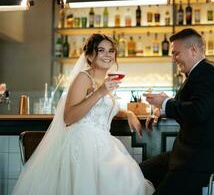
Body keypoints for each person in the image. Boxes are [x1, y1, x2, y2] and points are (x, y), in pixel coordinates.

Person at [12, 34, 154, 195]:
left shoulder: (104, 81)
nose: (108, 55)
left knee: (129, 180)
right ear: (89, 55)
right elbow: (69, 117)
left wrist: (127, 113)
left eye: (111, 50)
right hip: (83, 144)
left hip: (103, 143)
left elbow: (102, 109)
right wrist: (100, 92)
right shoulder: (83, 77)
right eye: (101, 50)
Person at [142, 28, 214, 195]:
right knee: (137, 172)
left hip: (204, 158)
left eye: (176, 54)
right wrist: (163, 110)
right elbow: (190, 107)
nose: (173, 59)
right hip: (188, 154)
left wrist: (165, 103)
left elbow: (198, 112)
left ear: (193, 50)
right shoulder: (198, 73)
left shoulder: (207, 72)